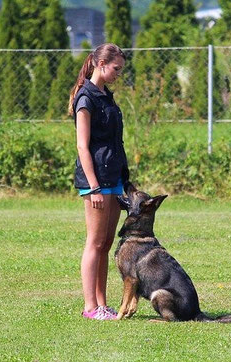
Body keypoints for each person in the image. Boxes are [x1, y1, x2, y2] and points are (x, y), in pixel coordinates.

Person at [68, 43, 129, 320]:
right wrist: (93, 186)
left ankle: (103, 304)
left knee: (106, 243)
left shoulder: (107, 96)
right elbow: (83, 147)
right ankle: (90, 307)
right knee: (94, 242)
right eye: (116, 68)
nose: (119, 73)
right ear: (100, 64)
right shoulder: (86, 98)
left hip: (114, 177)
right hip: (96, 180)